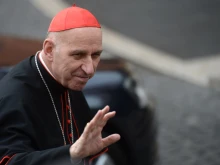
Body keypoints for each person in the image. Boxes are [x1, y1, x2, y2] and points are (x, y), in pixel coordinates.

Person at [0, 5, 120, 165]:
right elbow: (11, 162)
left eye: (96, 55)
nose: (89, 69)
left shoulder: (67, 77)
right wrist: (71, 154)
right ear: (49, 50)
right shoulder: (14, 96)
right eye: (78, 55)